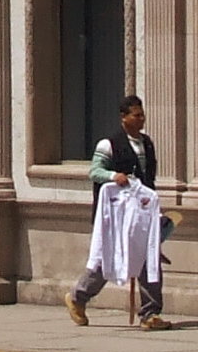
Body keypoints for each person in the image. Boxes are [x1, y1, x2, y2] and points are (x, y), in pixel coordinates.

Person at [66, 94, 165, 330]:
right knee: (107, 260)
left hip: (141, 215)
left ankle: (150, 313)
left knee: (148, 258)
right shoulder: (108, 144)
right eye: (136, 115)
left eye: (142, 115)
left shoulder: (147, 143)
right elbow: (94, 172)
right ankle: (78, 297)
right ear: (124, 117)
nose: (141, 119)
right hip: (116, 216)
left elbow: (148, 180)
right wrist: (113, 176)